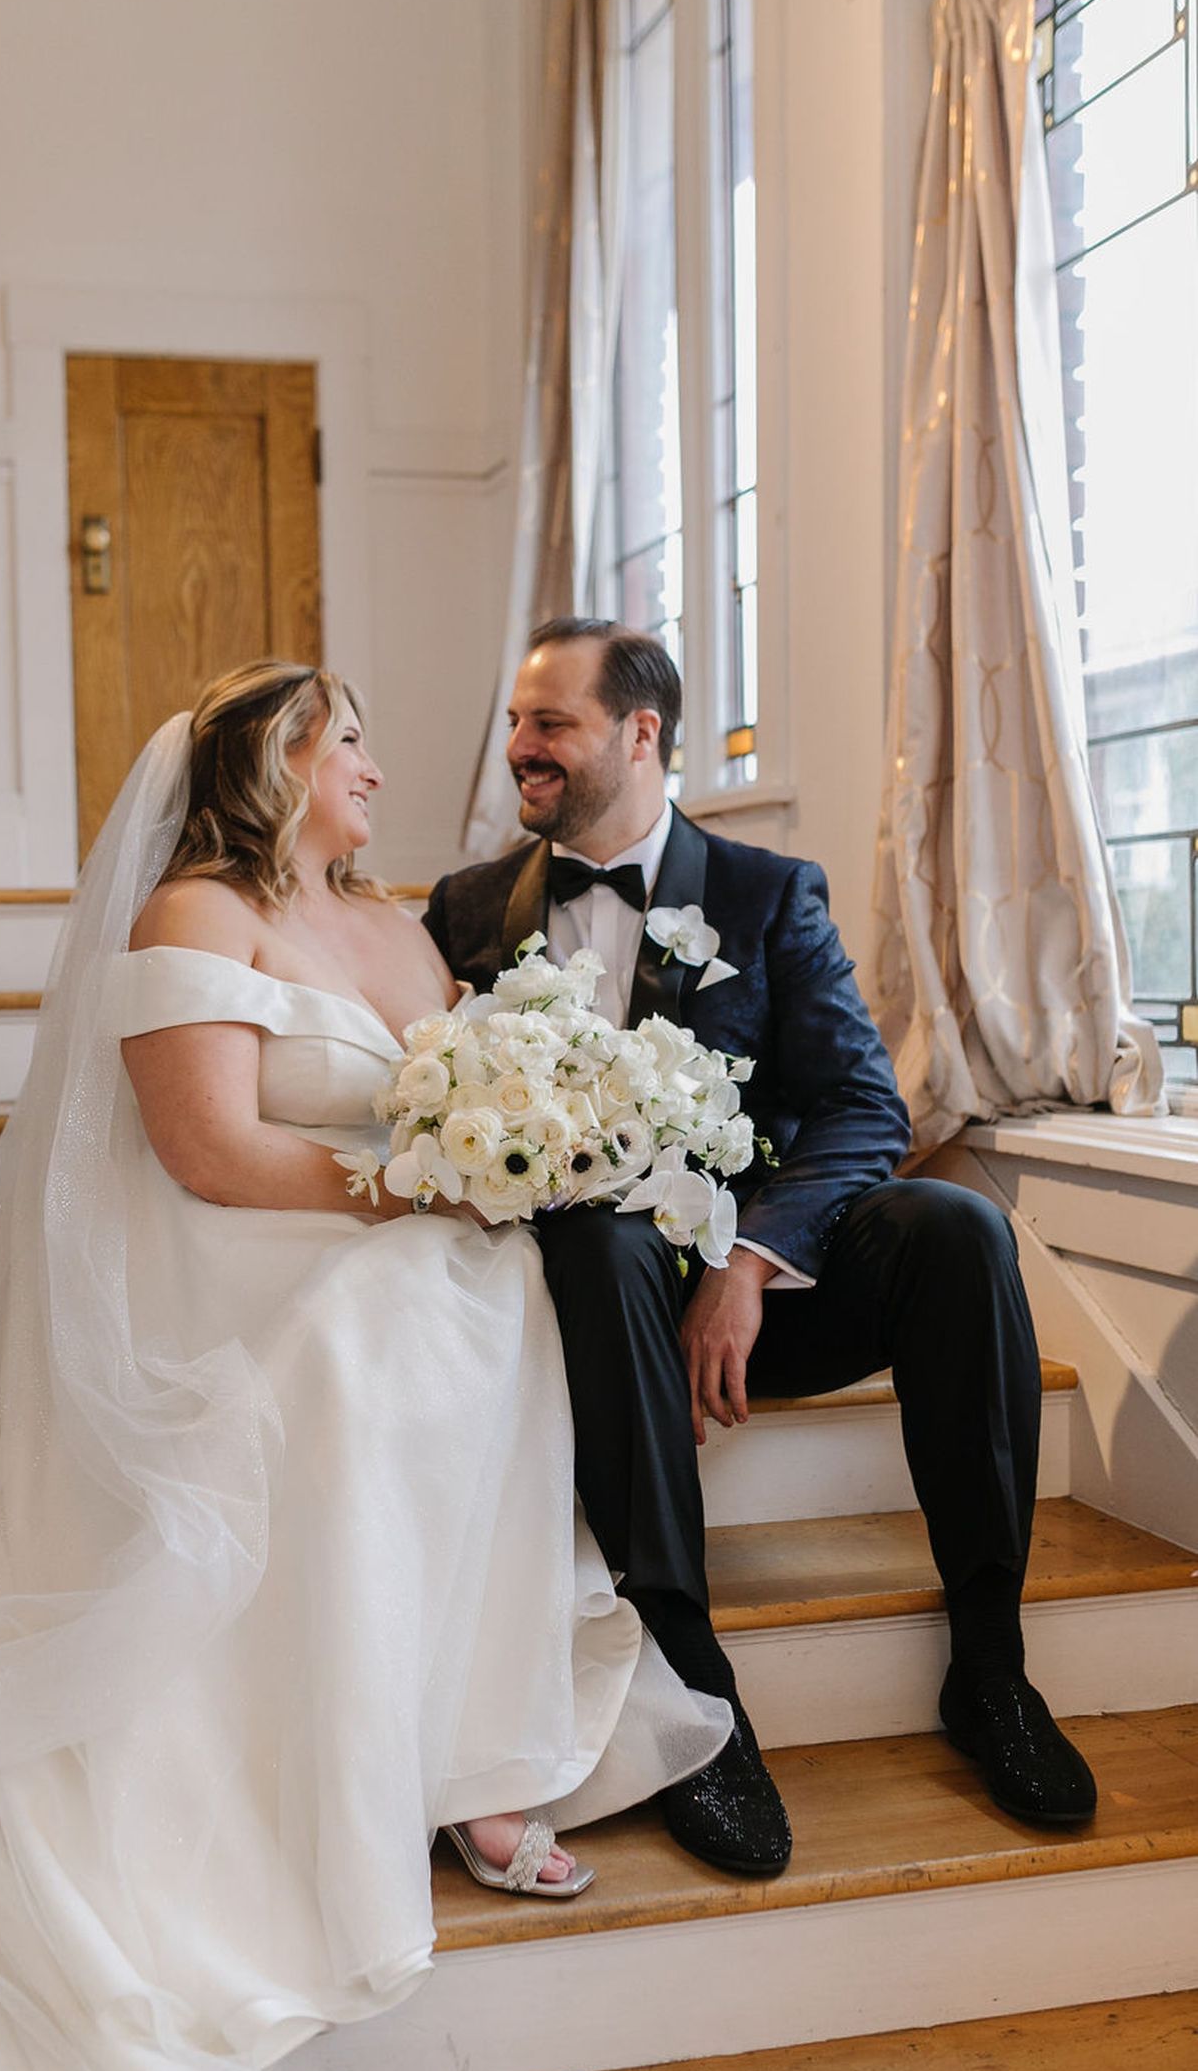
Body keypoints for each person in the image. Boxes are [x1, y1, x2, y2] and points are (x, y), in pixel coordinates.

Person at [0, 659, 732, 2071]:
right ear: (277, 757)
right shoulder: (195, 914)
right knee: (394, 1330)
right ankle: (369, 1777)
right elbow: (208, 1154)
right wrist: (413, 1189)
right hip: (240, 1266)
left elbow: (472, 1089)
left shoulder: (393, 924)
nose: (377, 768)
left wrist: (525, 1143)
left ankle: (469, 1754)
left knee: (488, 1303)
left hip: (404, 1239)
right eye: (351, 741)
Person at [424, 616, 1098, 1879]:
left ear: (640, 733)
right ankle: (695, 1699)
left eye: (548, 721)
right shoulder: (467, 909)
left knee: (954, 1227)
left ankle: (990, 1674)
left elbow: (860, 1104)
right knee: (605, 1242)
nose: (519, 748)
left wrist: (746, 1265)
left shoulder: (765, 890)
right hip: (586, 1300)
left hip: (755, 1293)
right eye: (516, 722)